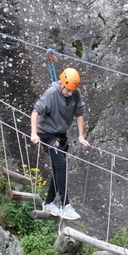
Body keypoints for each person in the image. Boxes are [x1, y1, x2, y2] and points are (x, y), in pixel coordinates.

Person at [29, 67, 88, 221]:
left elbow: (79, 113)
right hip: (47, 133)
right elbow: (35, 112)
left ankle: (48, 203)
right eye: (68, 90)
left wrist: (81, 136)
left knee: (59, 169)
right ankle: (65, 205)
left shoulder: (75, 93)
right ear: (62, 83)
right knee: (61, 165)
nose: (70, 93)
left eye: (72, 91)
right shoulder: (51, 93)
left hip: (61, 134)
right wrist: (34, 134)